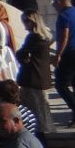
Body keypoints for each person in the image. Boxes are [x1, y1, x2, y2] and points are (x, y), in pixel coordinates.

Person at [17, 11, 55, 140]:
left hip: (32, 78)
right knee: (42, 111)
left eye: (26, 21)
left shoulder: (33, 37)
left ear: (32, 22)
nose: (24, 25)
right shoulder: (45, 37)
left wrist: (22, 55)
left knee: (32, 113)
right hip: (42, 78)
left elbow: (21, 53)